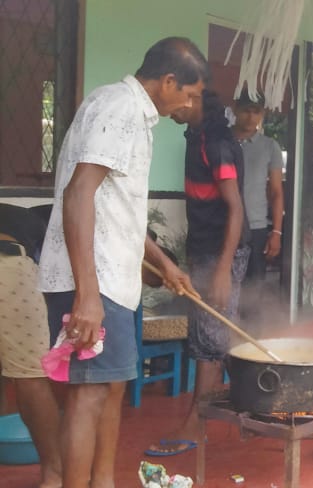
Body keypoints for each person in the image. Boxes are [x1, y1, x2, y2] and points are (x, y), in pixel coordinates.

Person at [37, 37, 204, 488]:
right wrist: (87, 295)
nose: (190, 103)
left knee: (110, 389)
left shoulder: (134, 116)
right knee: (88, 395)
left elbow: (117, 209)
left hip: (114, 281)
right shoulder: (119, 108)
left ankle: (105, 482)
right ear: (169, 80)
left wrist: (164, 263)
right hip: (95, 282)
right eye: (189, 93)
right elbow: (78, 194)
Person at [146, 89, 250, 456]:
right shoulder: (198, 137)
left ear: (192, 99)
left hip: (221, 253)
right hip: (206, 250)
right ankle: (257, 405)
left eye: (175, 96)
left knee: (208, 341)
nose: (168, 105)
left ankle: (197, 424)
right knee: (213, 335)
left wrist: (222, 270)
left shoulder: (217, 144)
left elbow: (234, 209)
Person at [0, 203, 60, 487]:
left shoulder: (20, 217)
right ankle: (55, 474)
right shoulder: (49, 226)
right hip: (8, 265)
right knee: (31, 375)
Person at [231, 88, 284, 317]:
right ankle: (222, 346)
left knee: (253, 291)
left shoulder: (269, 146)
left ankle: (250, 344)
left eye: (256, 112)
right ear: (235, 109)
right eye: (246, 111)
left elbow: (275, 191)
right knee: (225, 287)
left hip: (256, 228)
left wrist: (277, 232)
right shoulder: (222, 141)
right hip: (223, 226)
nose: (251, 117)